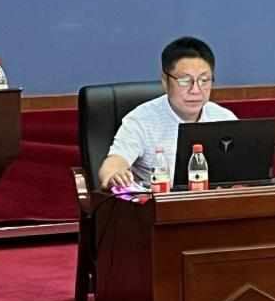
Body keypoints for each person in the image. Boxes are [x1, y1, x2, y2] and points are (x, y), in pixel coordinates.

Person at [97, 36, 236, 189]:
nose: (195, 90)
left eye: (204, 80)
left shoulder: (225, 118)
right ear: (165, 80)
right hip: (158, 202)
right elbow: (114, 162)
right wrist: (114, 175)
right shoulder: (141, 120)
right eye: (185, 81)